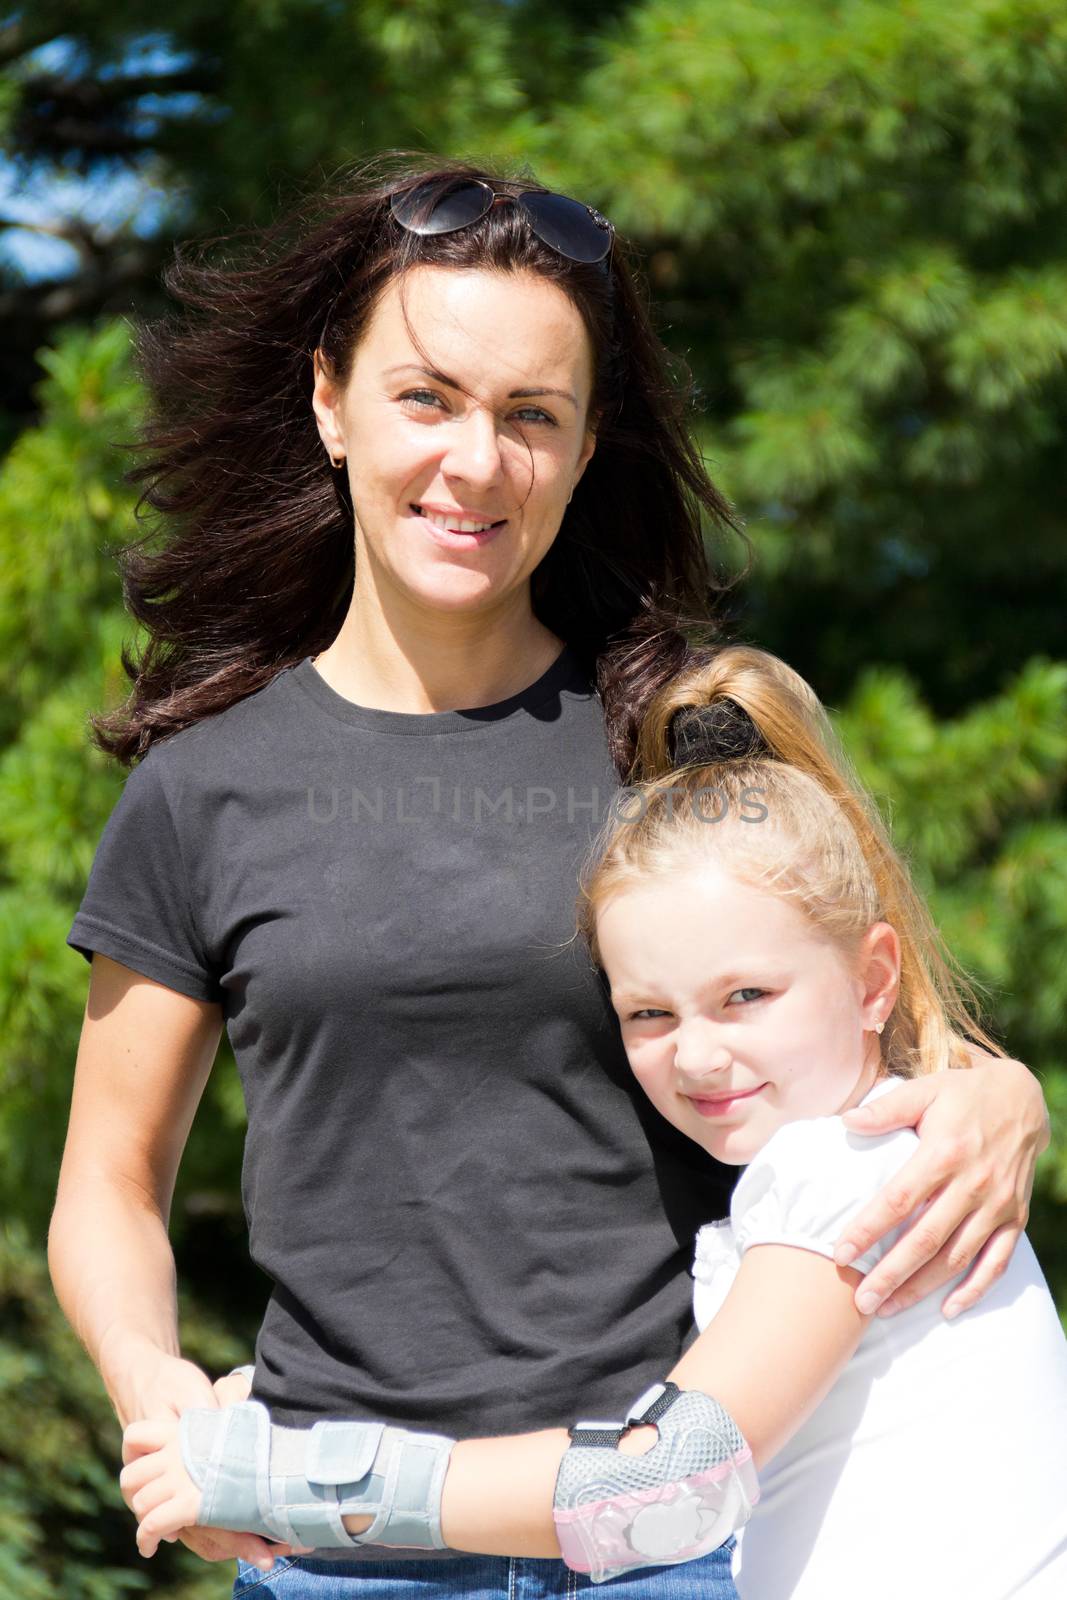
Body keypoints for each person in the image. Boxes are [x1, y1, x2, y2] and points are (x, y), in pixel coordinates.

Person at [48, 153, 1048, 1600]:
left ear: (584, 453)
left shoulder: (680, 740)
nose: (475, 462)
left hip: (668, 1543)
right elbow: (109, 1189)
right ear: (329, 403)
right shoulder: (199, 793)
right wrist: (162, 1407)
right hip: (334, 1551)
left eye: (531, 417)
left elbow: (894, 1046)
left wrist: (997, 1094)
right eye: (425, 399)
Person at [120, 645, 1067, 1599]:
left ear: (872, 982)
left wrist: (293, 1481)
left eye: (745, 995)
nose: (697, 1055)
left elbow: (667, 1483)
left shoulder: (848, 1175)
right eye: (648, 1015)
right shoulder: (859, 1157)